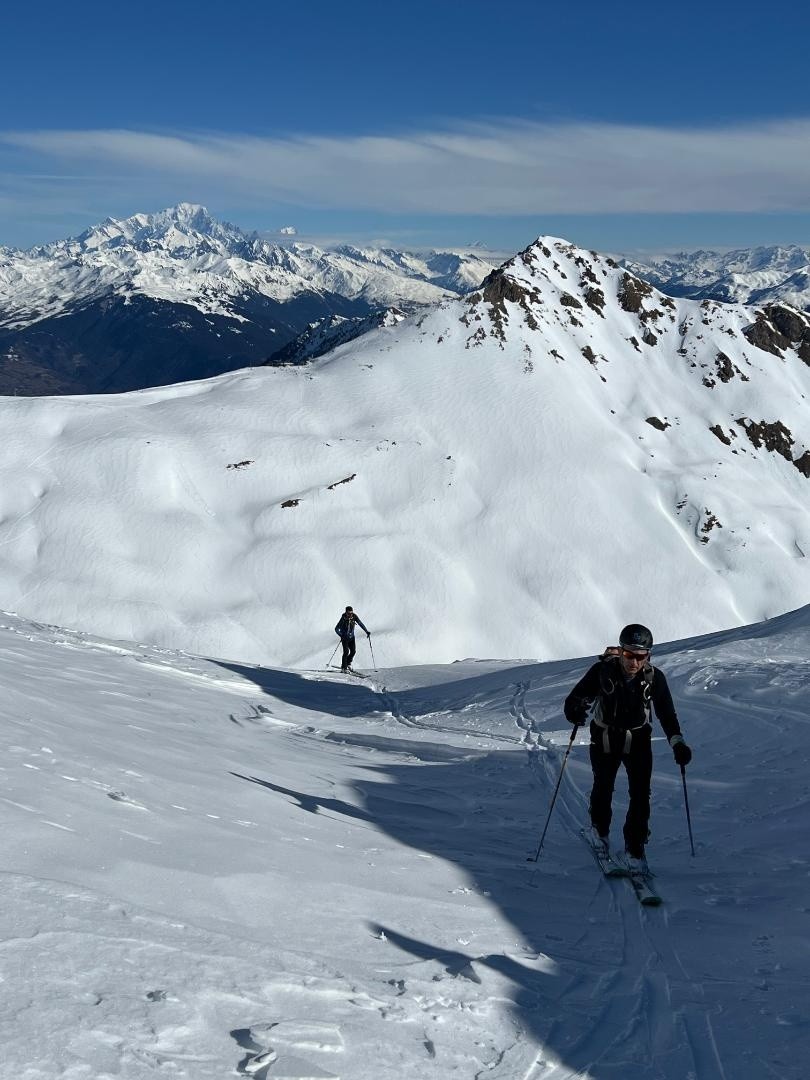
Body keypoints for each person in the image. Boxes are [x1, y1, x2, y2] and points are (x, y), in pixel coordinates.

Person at [563, 623, 692, 869]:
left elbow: (667, 714)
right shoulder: (602, 671)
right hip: (605, 737)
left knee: (641, 794)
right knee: (603, 786)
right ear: (620, 652)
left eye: (640, 656)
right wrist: (575, 712)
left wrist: (678, 743)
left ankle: (635, 847)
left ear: (648, 656)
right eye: (629, 654)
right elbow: (574, 699)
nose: (634, 661)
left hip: (639, 739)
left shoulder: (654, 678)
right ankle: (599, 833)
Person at [334, 605, 370, 672]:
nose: (350, 614)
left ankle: (348, 663)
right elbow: (336, 629)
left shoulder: (354, 616)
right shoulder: (343, 619)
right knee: (346, 652)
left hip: (352, 638)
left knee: (353, 651)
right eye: (349, 613)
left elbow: (360, 623)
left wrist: (366, 631)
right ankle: (344, 668)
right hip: (345, 638)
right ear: (346, 612)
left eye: (351, 613)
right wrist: (341, 635)